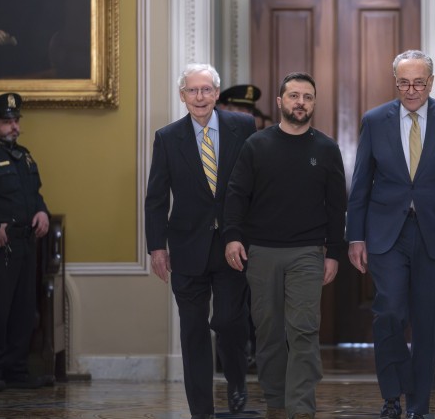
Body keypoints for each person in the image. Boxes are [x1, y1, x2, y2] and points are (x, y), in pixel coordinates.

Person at [346, 50, 435, 419]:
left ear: (431, 82)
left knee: (427, 321)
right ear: (396, 82)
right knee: (389, 312)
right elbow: (361, 183)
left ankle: (419, 407)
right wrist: (355, 237)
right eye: (404, 82)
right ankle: (392, 394)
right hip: (386, 234)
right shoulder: (375, 120)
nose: (411, 90)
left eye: (418, 82)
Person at [224, 72, 346, 419]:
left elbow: (338, 207)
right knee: (269, 333)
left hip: (308, 253)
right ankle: (276, 404)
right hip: (260, 253)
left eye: (307, 97)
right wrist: (232, 237)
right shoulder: (256, 145)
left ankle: (302, 408)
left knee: (304, 330)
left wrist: (334, 253)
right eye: (293, 96)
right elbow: (236, 196)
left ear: (314, 103)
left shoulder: (326, 149)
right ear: (280, 102)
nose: (300, 103)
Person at [145, 64, 255, 419]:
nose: (200, 97)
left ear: (216, 93)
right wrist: (156, 247)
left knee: (228, 322)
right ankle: (201, 412)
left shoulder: (243, 127)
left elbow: (253, 187)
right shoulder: (167, 137)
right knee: (192, 331)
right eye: (192, 91)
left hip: (232, 246)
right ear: (182, 95)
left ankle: (237, 383)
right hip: (187, 248)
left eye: (206, 90)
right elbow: (157, 198)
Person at [0, 93, 51, 391]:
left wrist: (42, 211)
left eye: (16, 121)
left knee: (23, 308)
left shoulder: (24, 155)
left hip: (25, 242)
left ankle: (17, 370)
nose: (14, 127)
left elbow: (34, 193)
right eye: (7, 122)